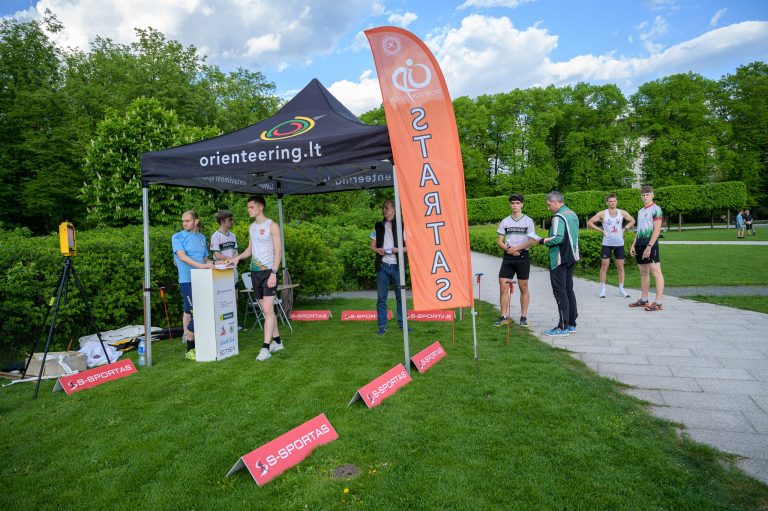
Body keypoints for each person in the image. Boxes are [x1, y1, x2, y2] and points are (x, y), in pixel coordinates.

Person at [232, 196, 284, 362]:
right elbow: (250, 249)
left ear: (260, 207)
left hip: (269, 272)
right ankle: (278, 342)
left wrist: (274, 273)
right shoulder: (252, 227)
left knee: (267, 310)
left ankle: (265, 348)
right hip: (255, 272)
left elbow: (278, 251)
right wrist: (238, 258)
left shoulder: (272, 226)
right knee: (266, 310)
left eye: (251, 207)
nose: (248, 210)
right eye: (248, 207)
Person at [171, 210, 214, 360]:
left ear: (196, 221)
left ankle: (200, 342)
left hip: (203, 279)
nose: (184, 224)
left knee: (197, 310)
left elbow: (205, 259)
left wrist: (217, 264)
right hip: (187, 280)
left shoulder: (202, 237)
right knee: (195, 312)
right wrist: (201, 266)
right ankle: (190, 349)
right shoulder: (177, 237)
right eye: (183, 221)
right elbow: (182, 257)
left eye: (187, 221)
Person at [493, 193, 540, 328]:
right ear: (510, 205)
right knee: (503, 286)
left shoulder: (528, 221)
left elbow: (531, 241)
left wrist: (517, 249)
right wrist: (510, 249)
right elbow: (499, 241)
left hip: (523, 256)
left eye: (517, 203)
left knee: (523, 286)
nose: (515, 205)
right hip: (508, 256)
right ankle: (503, 316)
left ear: (522, 205)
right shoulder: (505, 221)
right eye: (513, 203)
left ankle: (523, 317)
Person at [537, 191, 579, 337]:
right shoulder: (572, 214)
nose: (548, 208)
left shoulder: (558, 217)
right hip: (571, 257)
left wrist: (542, 241)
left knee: (560, 292)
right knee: (568, 291)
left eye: (549, 205)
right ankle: (571, 324)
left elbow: (558, 238)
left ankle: (562, 327)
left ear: (555, 202)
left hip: (559, 259)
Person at [587, 193, 636, 298]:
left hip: (619, 243)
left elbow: (632, 220)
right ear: (607, 203)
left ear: (616, 202)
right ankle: (602, 290)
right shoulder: (603, 213)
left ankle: (621, 290)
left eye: (614, 201)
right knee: (604, 266)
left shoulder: (622, 213)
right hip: (607, 243)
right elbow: (590, 222)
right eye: (610, 201)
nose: (612, 203)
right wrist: (600, 230)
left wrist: (624, 229)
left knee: (620, 267)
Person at [370, 199, 408, 335]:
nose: (384, 210)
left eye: (386, 208)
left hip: (398, 266)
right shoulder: (377, 226)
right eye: (383, 208)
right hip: (383, 266)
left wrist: (398, 250)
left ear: (394, 210)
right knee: (381, 298)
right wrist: (378, 250)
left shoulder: (402, 226)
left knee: (401, 297)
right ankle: (382, 327)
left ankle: (403, 325)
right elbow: (372, 246)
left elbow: (409, 247)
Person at [629, 185, 665, 311]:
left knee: (656, 272)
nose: (645, 197)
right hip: (639, 243)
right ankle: (644, 300)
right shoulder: (640, 211)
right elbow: (639, 230)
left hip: (650, 243)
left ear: (652, 195)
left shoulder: (656, 209)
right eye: (643, 195)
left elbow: (657, 230)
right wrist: (633, 245)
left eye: (647, 194)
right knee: (643, 272)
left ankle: (658, 303)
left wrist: (649, 246)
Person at [210, 210, 239, 288]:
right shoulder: (215, 236)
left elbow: (236, 252)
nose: (232, 222)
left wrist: (232, 260)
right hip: (221, 272)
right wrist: (231, 260)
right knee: (225, 294)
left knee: (235, 294)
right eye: (230, 220)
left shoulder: (233, 235)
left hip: (233, 270)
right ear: (222, 221)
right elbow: (217, 256)